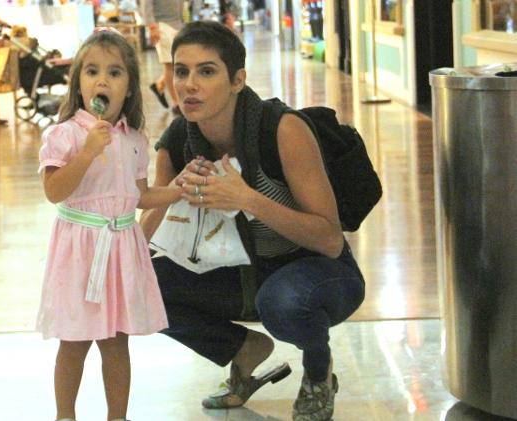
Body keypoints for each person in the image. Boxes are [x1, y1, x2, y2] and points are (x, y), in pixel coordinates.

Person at [139, 21, 365, 421]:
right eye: (181, 71)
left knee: (283, 302)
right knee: (138, 286)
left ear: (237, 79)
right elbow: (147, 235)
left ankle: (318, 373)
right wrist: (173, 190)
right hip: (243, 272)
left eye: (206, 71)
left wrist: (247, 198)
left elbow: (330, 241)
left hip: (317, 272)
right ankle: (244, 350)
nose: (189, 84)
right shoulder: (177, 141)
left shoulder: (282, 130)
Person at [35, 29, 181, 421]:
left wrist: (178, 191)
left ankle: (118, 416)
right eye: (92, 71)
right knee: (74, 341)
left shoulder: (134, 139)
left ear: (130, 87)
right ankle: (65, 416)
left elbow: (139, 196)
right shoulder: (64, 134)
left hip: (120, 248)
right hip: (80, 252)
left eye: (115, 73)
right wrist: (85, 154)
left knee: (117, 342)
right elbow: (54, 190)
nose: (102, 80)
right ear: (78, 82)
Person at [140, 0, 184, 114]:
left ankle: (159, 86)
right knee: (170, 65)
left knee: (179, 62)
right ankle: (176, 103)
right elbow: (146, 3)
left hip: (178, 25)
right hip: (162, 26)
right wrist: (152, 27)